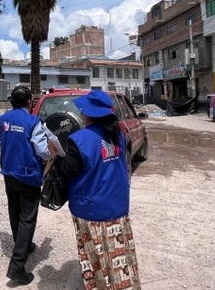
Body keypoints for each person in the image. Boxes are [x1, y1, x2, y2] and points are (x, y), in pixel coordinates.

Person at [49, 90, 141, 290]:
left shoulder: (80, 139)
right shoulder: (117, 133)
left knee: (95, 255)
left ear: (88, 114)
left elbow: (68, 170)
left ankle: (100, 285)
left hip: (91, 208)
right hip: (117, 204)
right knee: (118, 252)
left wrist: (55, 155)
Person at [0, 86, 52, 286]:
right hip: (28, 174)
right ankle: (17, 267)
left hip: (9, 172)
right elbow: (43, 151)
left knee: (15, 211)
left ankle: (24, 246)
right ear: (29, 102)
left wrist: (10, 149)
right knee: (27, 218)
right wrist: (53, 155)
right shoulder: (33, 122)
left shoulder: (2, 119)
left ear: (11, 102)